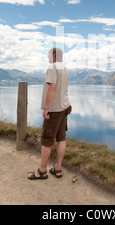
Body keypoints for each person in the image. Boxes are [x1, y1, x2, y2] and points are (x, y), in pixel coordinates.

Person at [28, 48, 72, 180]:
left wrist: (46, 108)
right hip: (65, 106)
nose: (47, 57)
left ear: (54, 55)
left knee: (47, 140)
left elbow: (52, 88)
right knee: (61, 138)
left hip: (54, 109)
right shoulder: (65, 68)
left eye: (48, 55)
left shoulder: (52, 67)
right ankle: (57, 169)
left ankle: (42, 171)